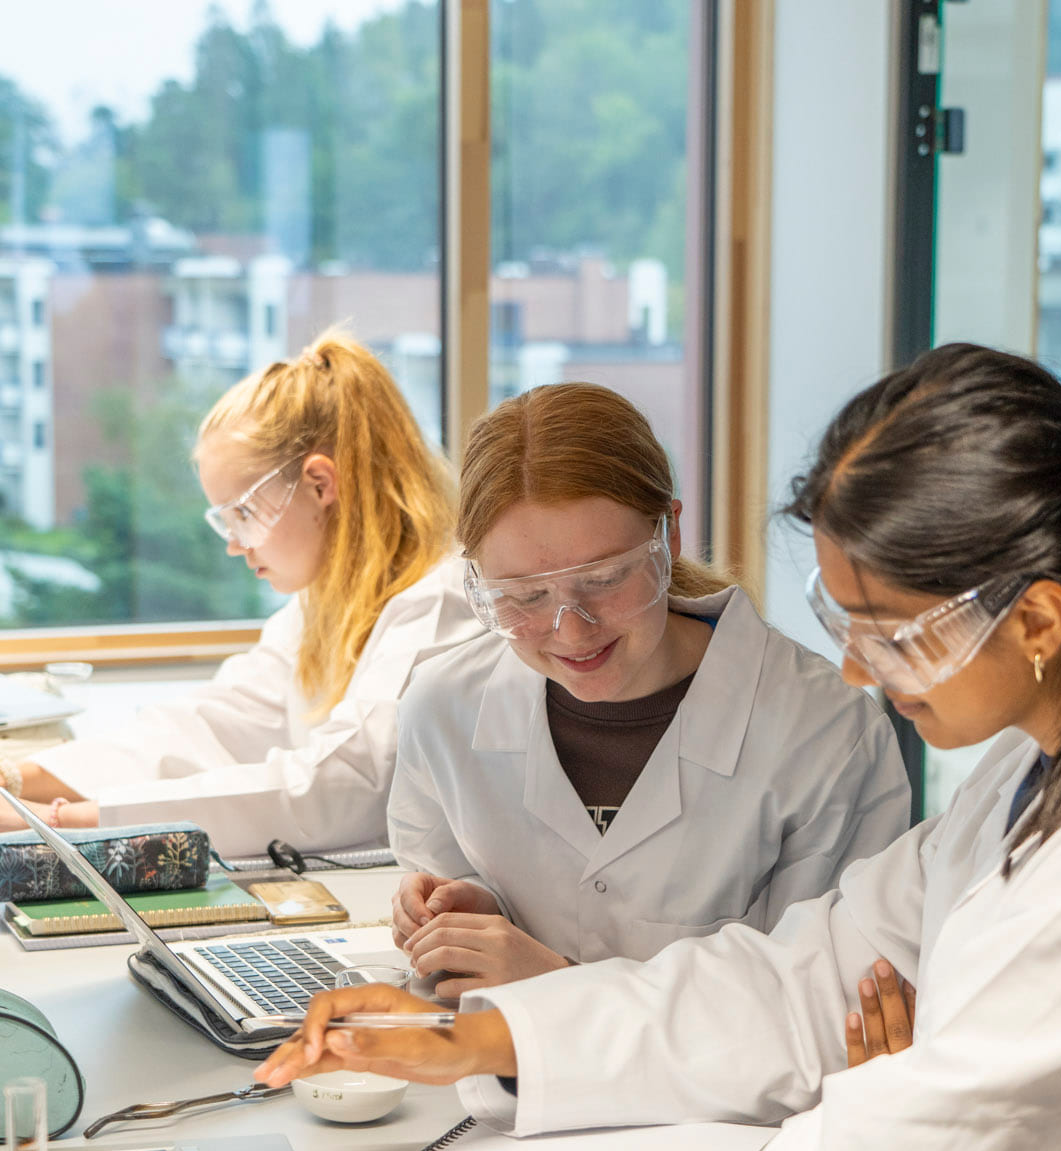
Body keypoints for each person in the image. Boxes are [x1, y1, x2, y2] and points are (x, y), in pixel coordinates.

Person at [258, 344, 1061, 1151]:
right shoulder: (1036, 763)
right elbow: (798, 975)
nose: (854, 667)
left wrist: (864, 1092)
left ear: (1033, 622)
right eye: (836, 618)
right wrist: (486, 1035)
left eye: (885, 632)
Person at [386, 381, 911, 994]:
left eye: (606, 578)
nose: (572, 631)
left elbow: (832, 1001)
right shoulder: (441, 708)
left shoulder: (825, 732)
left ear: (670, 536)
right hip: (495, 1083)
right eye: (524, 596)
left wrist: (558, 985)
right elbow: (446, 942)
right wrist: (470, 917)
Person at [0, 332, 484, 858]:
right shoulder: (322, 607)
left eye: (244, 515)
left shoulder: (438, 603)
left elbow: (336, 787)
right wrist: (6, 776)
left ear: (320, 484)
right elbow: (207, 730)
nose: (234, 545)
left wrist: (56, 820)